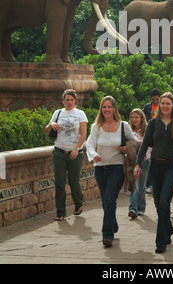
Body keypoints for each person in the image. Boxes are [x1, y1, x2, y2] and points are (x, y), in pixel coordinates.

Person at [134, 92, 173, 254]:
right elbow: (145, 144)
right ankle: (169, 229)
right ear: (159, 105)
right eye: (162, 103)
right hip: (156, 166)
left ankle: (161, 242)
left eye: (168, 103)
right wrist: (138, 164)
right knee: (159, 203)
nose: (165, 106)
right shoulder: (153, 123)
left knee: (165, 202)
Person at [86, 96, 136, 248]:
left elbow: (135, 142)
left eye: (109, 107)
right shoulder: (96, 127)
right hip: (100, 168)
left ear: (114, 109)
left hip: (117, 167)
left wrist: (128, 148)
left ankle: (107, 235)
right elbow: (89, 144)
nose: (106, 109)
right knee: (105, 201)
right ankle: (113, 224)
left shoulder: (123, 125)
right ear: (101, 109)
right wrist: (94, 155)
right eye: (104, 107)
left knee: (109, 199)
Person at [45, 89, 87, 221]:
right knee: (59, 182)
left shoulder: (80, 114)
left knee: (74, 181)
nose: (69, 102)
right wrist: (51, 124)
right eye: (67, 100)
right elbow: (47, 131)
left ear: (75, 101)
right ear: (63, 100)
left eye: (72, 100)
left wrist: (76, 148)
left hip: (75, 153)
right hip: (59, 151)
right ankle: (60, 212)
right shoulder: (58, 113)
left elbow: (83, 134)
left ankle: (78, 203)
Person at [128, 108, 150, 218]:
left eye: (136, 117)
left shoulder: (146, 131)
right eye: (132, 117)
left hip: (145, 161)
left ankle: (141, 208)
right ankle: (132, 208)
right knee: (134, 185)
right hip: (132, 161)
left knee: (142, 186)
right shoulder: (129, 131)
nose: (134, 119)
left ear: (141, 118)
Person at [142, 88, 160, 194]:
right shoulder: (147, 107)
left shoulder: (163, 106)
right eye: (153, 99)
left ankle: (156, 184)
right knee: (148, 160)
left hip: (160, 136)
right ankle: (149, 184)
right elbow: (143, 120)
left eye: (157, 99)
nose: (155, 101)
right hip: (150, 136)